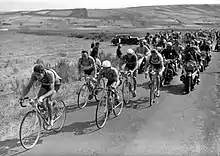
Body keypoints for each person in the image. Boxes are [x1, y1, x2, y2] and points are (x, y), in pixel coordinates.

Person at [19, 64, 62, 129]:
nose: (37, 77)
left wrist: (42, 97)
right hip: (45, 84)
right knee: (38, 101)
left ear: (43, 72)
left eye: (39, 75)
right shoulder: (34, 75)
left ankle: (51, 121)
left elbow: (51, 90)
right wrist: (22, 96)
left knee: (48, 101)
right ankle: (47, 112)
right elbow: (28, 87)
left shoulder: (49, 74)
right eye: (36, 75)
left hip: (55, 84)